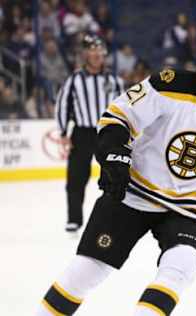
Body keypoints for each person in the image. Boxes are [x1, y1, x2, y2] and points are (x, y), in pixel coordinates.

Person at [36, 28, 196, 316]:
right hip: (133, 191)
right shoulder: (167, 84)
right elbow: (118, 117)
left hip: (187, 207)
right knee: (86, 272)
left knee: (182, 267)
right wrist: (115, 158)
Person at [55, 34, 124, 233]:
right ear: (85, 54)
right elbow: (62, 105)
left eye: (99, 50)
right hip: (82, 133)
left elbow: (125, 106)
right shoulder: (74, 79)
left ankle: (113, 217)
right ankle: (74, 219)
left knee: (114, 175)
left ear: (104, 53)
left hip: (108, 132)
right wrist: (62, 132)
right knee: (76, 178)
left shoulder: (115, 80)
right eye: (91, 50)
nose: (96, 54)